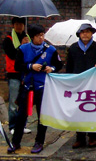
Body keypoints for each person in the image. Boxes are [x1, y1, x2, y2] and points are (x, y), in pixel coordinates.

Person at [9, 24, 63, 154]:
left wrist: (52, 69)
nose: (42, 38)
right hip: (27, 86)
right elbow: (17, 66)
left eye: (43, 35)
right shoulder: (23, 49)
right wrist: (30, 66)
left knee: (42, 116)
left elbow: (59, 64)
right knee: (21, 115)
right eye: (39, 36)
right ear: (32, 37)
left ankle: (39, 142)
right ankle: (16, 142)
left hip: (43, 86)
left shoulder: (50, 50)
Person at [66, 23, 96, 149]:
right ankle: (80, 137)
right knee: (78, 110)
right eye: (83, 32)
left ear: (92, 33)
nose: (85, 34)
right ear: (79, 34)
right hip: (78, 85)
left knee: (92, 109)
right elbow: (69, 67)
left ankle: (92, 136)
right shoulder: (73, 48)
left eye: (88, 31)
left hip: (94, 84)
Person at [2, 17, 31, 135]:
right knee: (13, 102)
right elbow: (13, 55)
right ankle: (13, 126)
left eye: (21, 24)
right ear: (13, 25)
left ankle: (23, 125)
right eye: (17, 24)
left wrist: (26, 44)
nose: (19, 26)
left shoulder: (27, 38)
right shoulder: (8, 40)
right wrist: (22, 46)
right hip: (13, 74)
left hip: (26, 74)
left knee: (25, 101)